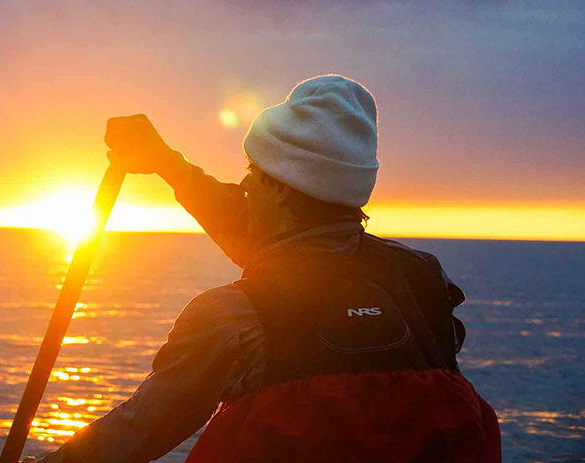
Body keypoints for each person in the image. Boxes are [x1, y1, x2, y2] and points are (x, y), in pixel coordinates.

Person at [34, 75, 501, 462]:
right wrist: (165, 163)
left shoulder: (232, 318)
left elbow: (140, 430)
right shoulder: (424, 281)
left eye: (251, 172)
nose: (242, 185)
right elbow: (288, 255)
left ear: (278, 189)